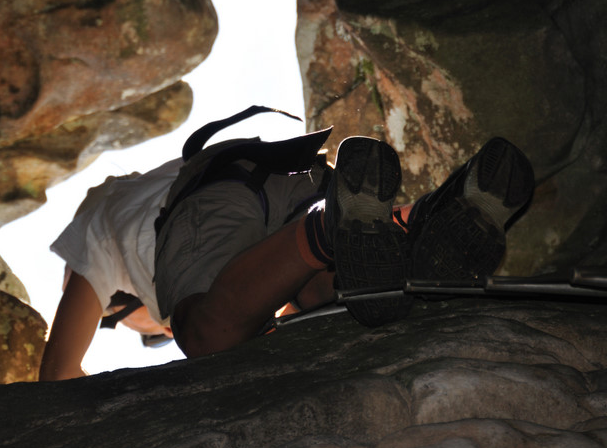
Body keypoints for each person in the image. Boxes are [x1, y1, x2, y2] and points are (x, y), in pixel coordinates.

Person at [38, 107, 534, 381]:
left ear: (118, 308)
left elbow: (57, 377)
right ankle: (429, 216)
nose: (158, 331)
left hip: (220, 199)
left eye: (149, 332)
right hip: (296, 177)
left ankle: (331, 226)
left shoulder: (97, 234)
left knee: (208, 337)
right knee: (329, 297)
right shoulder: (145, 191)